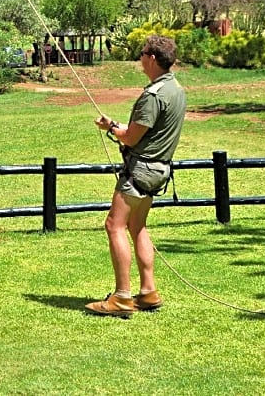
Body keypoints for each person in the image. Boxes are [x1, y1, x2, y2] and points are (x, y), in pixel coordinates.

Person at [85, 35, 187, 317]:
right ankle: (148, 292)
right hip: (159, 170)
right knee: (137, 227)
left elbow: (131, 138)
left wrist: (111, 129)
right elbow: (142, 132)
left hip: (140, 171)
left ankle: (121, 297)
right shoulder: (176, 90)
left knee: (114, 226)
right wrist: (115, 125)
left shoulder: (152, 96)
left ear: (152, 58)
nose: (139, 59)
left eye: (142, 53)